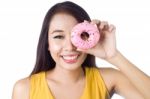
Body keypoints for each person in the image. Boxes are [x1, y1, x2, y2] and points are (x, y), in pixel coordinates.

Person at [12, 1, 150, 99]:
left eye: (80, 35)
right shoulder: (24, 89)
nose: (70, 46)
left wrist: (113, 56)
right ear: (47, 43)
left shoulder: (108, 79)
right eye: (58, 36)